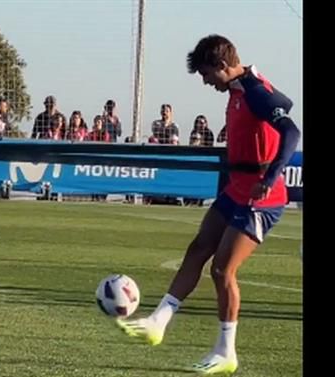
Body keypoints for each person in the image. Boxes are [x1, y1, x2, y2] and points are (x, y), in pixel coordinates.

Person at [115, 34, 300, 375]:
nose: (205, 82)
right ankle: (158, 321)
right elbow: (285, 102)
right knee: (199, 247)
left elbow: (291, 132)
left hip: (261, 197)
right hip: (236, 189)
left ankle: (225, 351)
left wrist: (271, 176)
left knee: (222, 270)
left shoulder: (255, 91)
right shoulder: (239, 90)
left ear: (222, 66)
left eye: (206, 74)